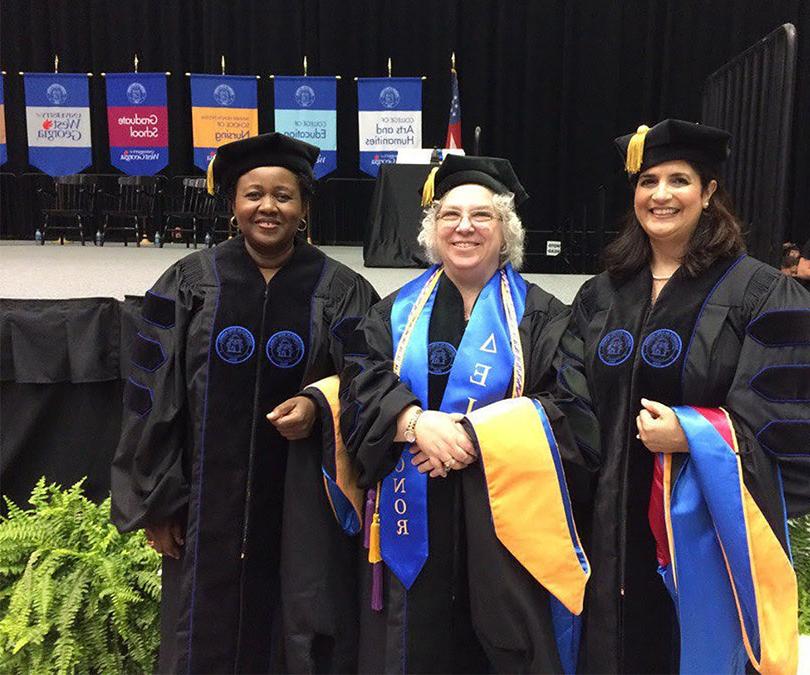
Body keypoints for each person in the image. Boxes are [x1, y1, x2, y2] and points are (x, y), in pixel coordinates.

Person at [111, 132, 378, 673]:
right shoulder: (190, 282)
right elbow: (150, 398)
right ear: (233, 203)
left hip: (304, 509)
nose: (268, 207)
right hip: (203, 510)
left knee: (297, 624)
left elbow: (369, 384)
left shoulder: (343, 290)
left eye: (283, 196)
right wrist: (158, 504)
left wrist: (318, 405)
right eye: (253, 194)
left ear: (303, 207)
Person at [558, 119, 810, 673]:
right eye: (648, 181)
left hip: (706, 536)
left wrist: (697, 433)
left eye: (680, 180)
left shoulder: (760, 291)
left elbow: (781, 421)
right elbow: (568, 400)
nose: (661, 195)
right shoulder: (601, 293)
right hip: (607, 530)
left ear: (709, 191)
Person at [339, 155, 596, 674]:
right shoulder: (392, 313)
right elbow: (358, 386)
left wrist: (475, 437)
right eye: (449, 215)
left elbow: (571, 408)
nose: (464, 227)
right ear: (432, 230)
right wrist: (414, 423)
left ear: (506, 232)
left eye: (482, 215)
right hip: (411, 515)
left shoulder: (546, 316)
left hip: (504, 519)